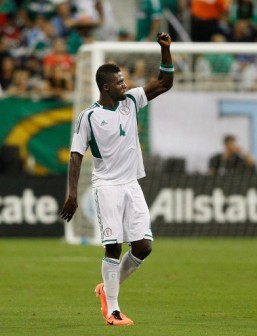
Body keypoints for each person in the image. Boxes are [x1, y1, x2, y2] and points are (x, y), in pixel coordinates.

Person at [60, 32, 173, 326]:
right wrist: (72, 194)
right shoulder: (89, 116)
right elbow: (75, 155)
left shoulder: (131, 101)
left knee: (144, 246)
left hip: (131, 184)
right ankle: (113, 310)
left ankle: (107, 289)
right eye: (120, 82)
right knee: (113, 246)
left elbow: (164, 83)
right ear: (106, 87)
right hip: (106, 186)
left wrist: (165, 51)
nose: (126, 84)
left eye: (125, 81)